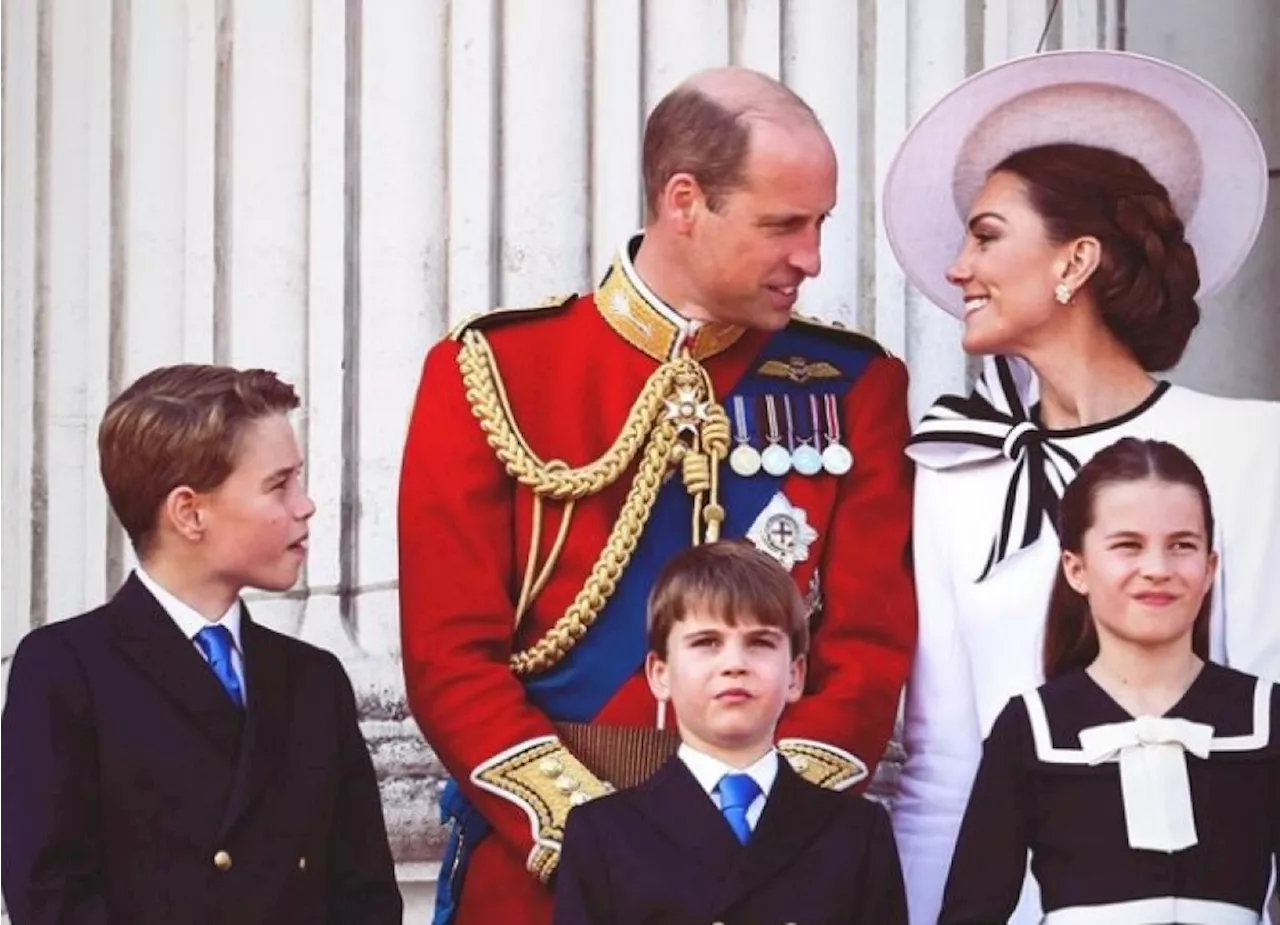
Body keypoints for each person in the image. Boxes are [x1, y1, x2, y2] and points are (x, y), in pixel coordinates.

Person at [399, 66, 916, 925]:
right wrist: (605, 837)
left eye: (821, 223)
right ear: (685, 202)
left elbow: (866, 652)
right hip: (543, 874)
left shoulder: (853, 383)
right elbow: (449, 659)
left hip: (772, 869)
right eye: (783, 224)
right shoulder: (493, 372)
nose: (812, 258)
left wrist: (763, 831)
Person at [881, 49, 1280, 924]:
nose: (956, 269)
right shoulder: (954, 470)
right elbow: (945, 763)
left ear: (1076, 261)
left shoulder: (1255, 451)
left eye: (986, 236)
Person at [0, 365, 403, 925]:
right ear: (190, 513)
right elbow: (51, 899)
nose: (304, 505)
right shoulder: (65, 670)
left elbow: (366, 899)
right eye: (278, 484)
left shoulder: (314, 680)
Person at [939, 437, 1280, 923]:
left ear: (1209, 569)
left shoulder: (1266, 716)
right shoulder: (1030, 727)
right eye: (1128, 546)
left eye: (1182, 545)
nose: (1158, 570)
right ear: (1076, 568)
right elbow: (971, 912)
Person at [552, 541, 907, 925]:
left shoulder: (856, 834)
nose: (734, 664)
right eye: (707, 643)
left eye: (760, 643)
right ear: (660, 674)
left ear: (795, 675)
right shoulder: (604, 835)